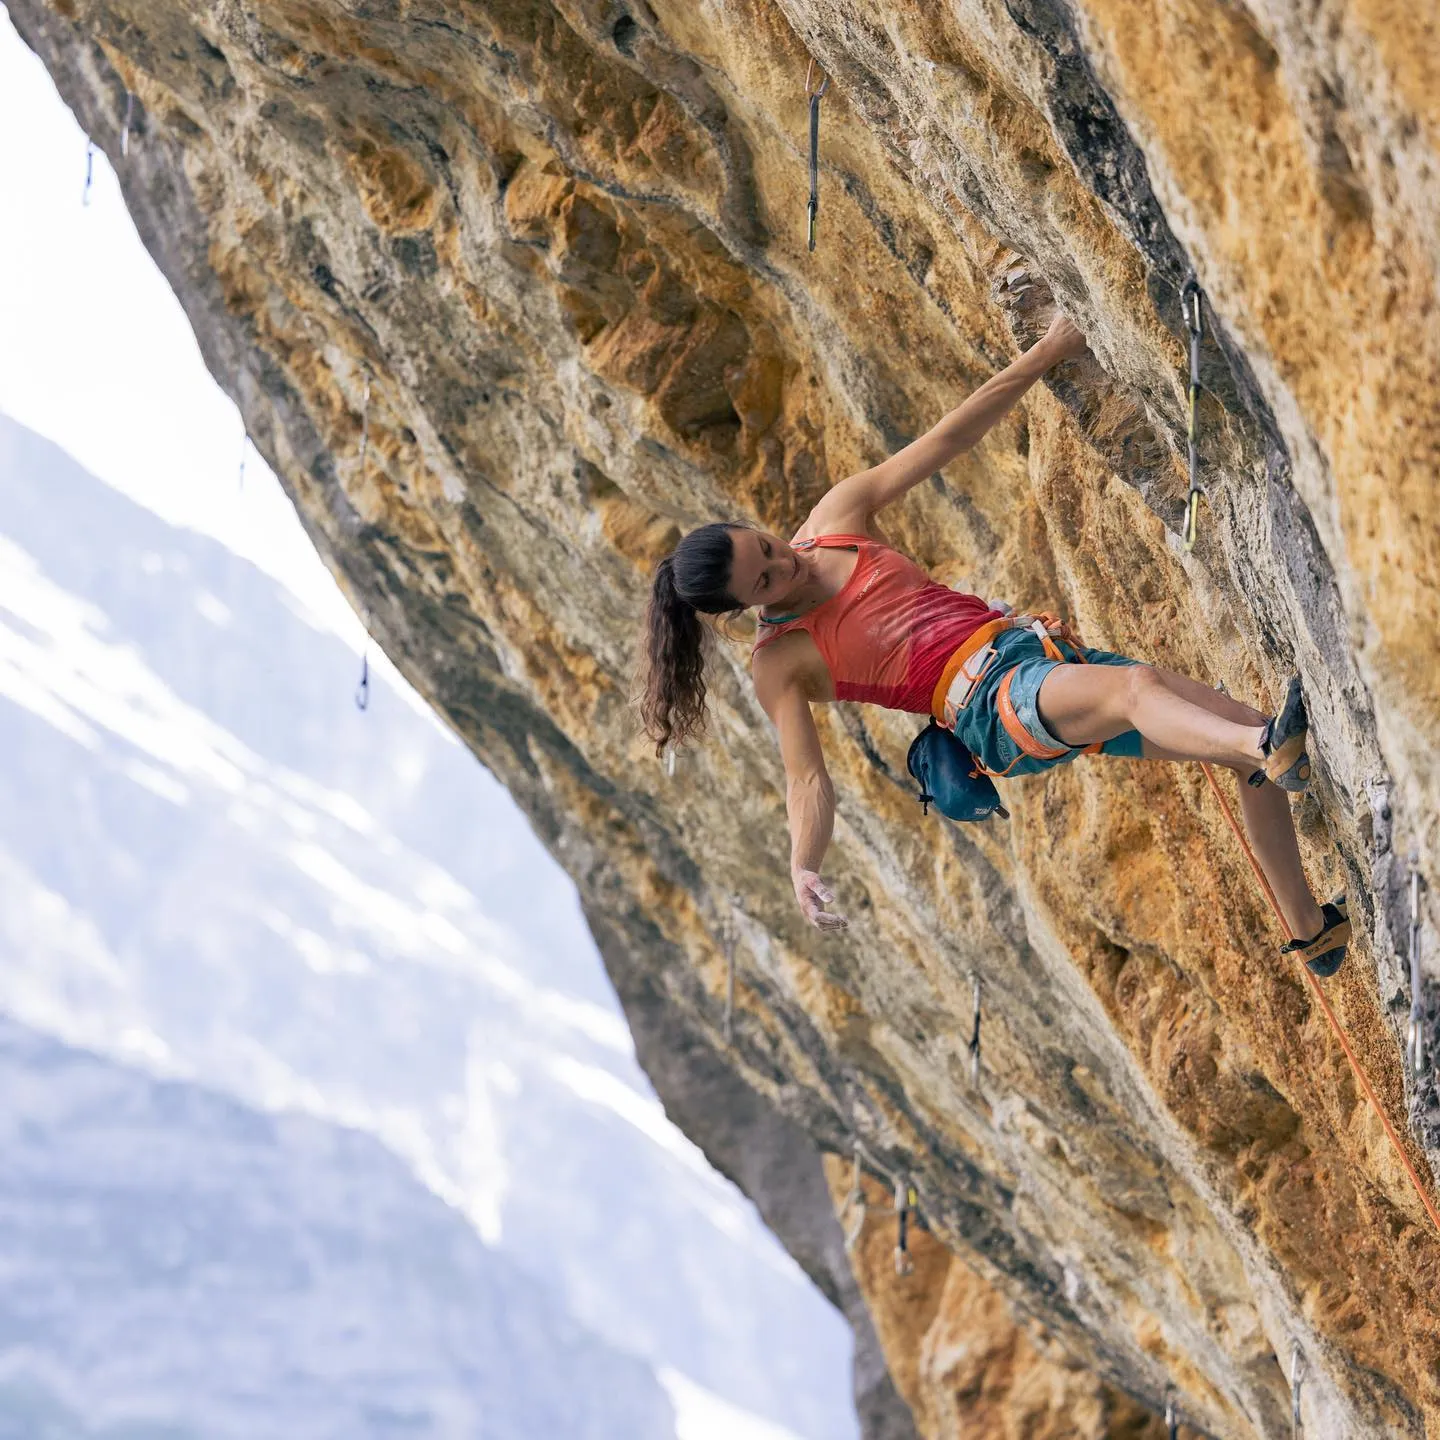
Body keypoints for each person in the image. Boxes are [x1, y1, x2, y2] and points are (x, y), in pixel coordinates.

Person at [637, 312, 1349, 976]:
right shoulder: (781, 662)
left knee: (1241, 738)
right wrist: (803, 863)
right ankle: (1269, 751)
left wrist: (1046, 353)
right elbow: (807, 778)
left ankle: (1311, 931)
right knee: (1156, 699)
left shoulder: (834, 520)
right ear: (742, 610)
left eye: (766, 546)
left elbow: (945, 440)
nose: (783, 565)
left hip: (1029, 656)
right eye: (764, 581)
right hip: (989, 708)